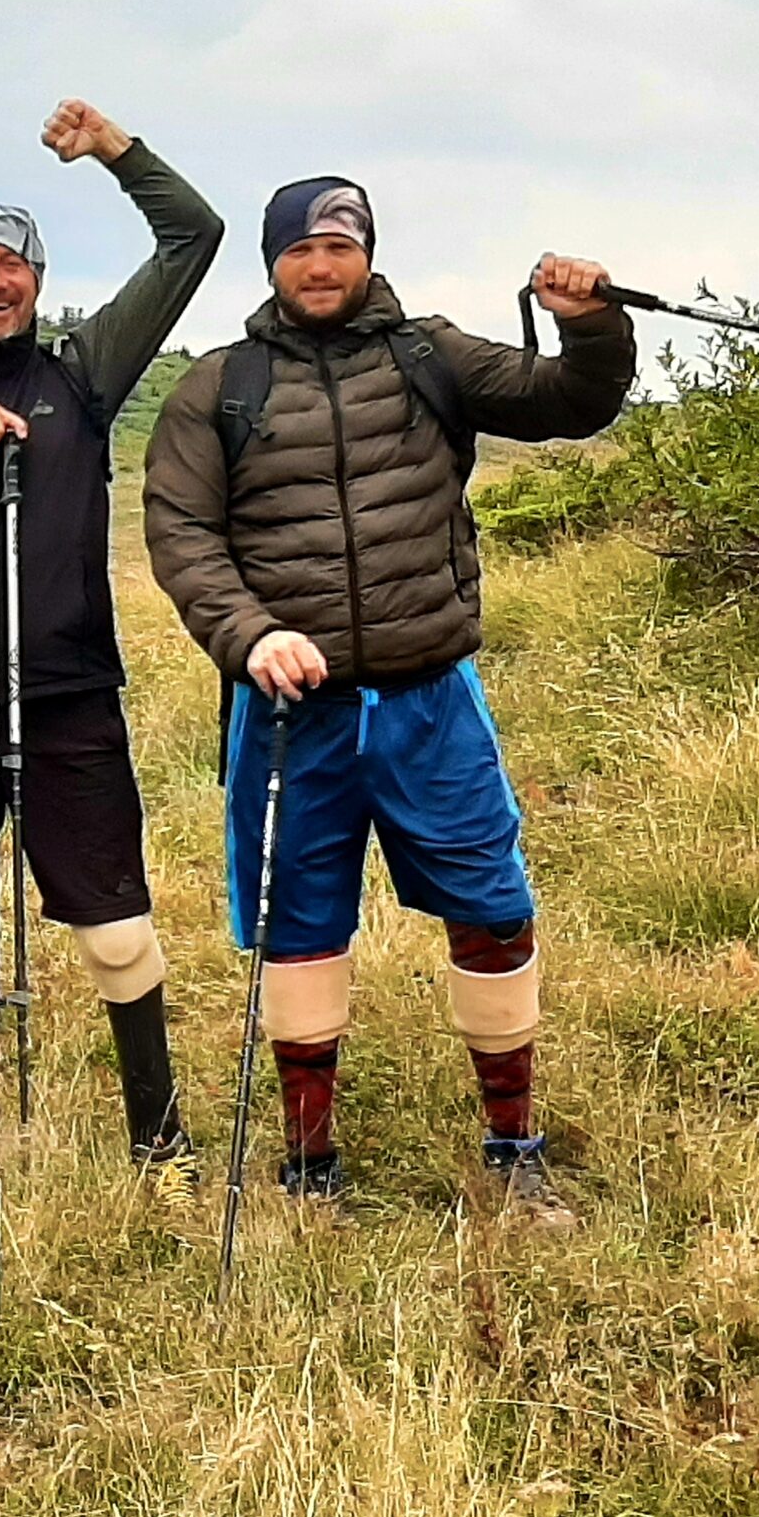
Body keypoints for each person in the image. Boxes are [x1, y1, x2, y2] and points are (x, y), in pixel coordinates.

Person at [144, 176, 634, 1217]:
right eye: (300, 249)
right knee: (297, 930)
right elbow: (182, 534)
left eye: (340, 245)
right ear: (273, 262)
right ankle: (309, 1169)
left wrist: (591, 324)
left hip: (430, 700)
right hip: (290, 716)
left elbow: (570, 403)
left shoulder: (431, 354)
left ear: (366, 254)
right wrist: (251, 635)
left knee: (493, 913)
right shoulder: (218, 387)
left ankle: (514, 1151)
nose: (320, 266)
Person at [0, 101, 224, 1204]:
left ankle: (159, 1143)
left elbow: (194, 239)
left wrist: (115, 149)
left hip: (67, 695)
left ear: (36, 281)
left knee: (116, 929)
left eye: (11, 264)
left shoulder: (84, 372)